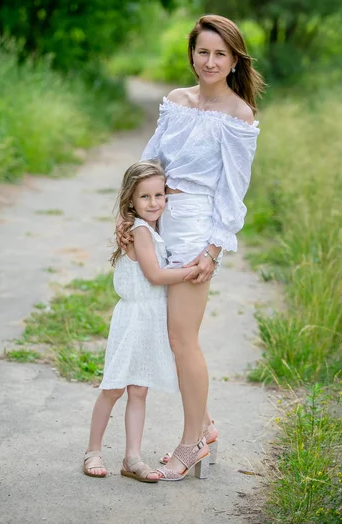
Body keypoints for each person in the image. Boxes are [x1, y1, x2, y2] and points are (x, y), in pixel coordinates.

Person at [133, 14, 264, 481]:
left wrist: (212, 250)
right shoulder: (175, 101)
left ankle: (192, 445)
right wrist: (135, 220)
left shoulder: (238, 115)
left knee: (182, 339)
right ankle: (205, 426)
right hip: (159, 221)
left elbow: (234, 192)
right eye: (203, 51)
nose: (210, 61)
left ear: (233, 61)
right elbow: (150, 162)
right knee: (166, 334)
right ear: (192, 54)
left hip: (196, 231)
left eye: (220, 54)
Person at [83, 160, 209, 483]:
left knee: (139, 391)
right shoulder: (140, 231)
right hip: (133, 319)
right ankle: (93, 450)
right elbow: (154, 276)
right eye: (145, 198)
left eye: (160, 195)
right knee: (113, 388)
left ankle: (132, 457)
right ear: (131, 201)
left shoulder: (151, 229)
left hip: (149, 321)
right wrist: (190, 271)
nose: (154, 203)